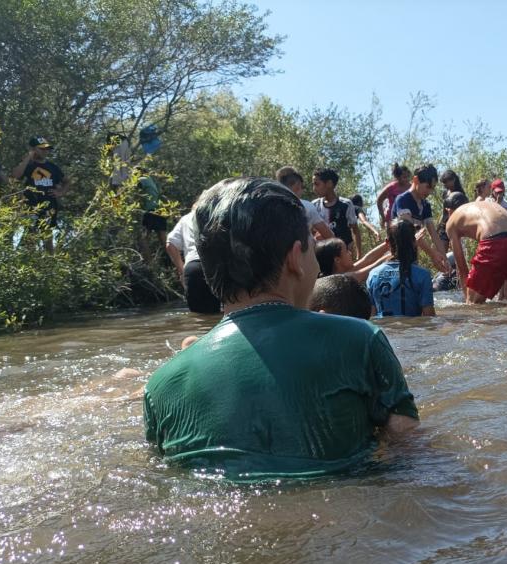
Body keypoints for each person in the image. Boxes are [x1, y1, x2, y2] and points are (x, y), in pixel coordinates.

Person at [144, 177, 419, 479]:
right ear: (294, 259)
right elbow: (407, 448)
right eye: (312, 250)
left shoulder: (160, 386)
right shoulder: (360, 339)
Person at [444, 191, 507, 304]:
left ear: (448, 210)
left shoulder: (451, 221)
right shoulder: (483, 205)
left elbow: (461, 268)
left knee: (474, 305)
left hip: (494, 241)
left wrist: (469, 299)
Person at [367, 219, 436, 317]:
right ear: (414, 242)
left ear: (387, 242)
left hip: (384, 330)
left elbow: (372, 315)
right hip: (412, 331)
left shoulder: (373, 274)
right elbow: (429, 316)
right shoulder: (423, 275)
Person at [390, 163, 450, 271]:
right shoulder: (403, 200)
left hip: (412, 257)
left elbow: (434, 235)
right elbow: (411, 234)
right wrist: (433, 254)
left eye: (432, 188)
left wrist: (444, 259)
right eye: (427, 187)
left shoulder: (425, 205)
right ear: (416, 180)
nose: (430, 192)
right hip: (395, 257)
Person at [11, 136, 68, 251]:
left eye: (46, 149)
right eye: (41, 149)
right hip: (31, 206)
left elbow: (67, 181)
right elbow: (15, 176)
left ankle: (50, 263)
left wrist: (60, 192)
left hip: (49, 206)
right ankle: (30, 263)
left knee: (47, 236)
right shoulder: (28, 165)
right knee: (30, 235)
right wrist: (28, 157)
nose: (45, 151)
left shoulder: (52, 167)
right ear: (33, 149)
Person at [164, 210, 221, 314]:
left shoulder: (185, 219)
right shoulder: (216, 215)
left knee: (198, 315)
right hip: (214, 265)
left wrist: (182, 270)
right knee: (219, 315)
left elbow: (170, 244)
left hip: (192, 267)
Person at [274, 166, 335, 241]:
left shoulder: (269, 206)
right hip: (303, 251)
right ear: (297, 186)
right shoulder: (307, 206)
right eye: (302, 187)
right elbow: (329, 236)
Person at [313, 167, 362, 259]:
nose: (314, 188)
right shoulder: (314, 205)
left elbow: (355, 230)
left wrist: (359, 255)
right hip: (323, 256)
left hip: (344, 255)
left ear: (329, 184)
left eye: (317, 184)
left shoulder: (346, 204)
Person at [315, 236, 390, 282]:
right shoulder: (339, 280)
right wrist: (391, 255)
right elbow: (374, 267)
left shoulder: (336, 274)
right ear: (337, 260)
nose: (350, 253)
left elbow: (366, 260)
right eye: (346, 251)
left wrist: (387, 244)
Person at [437, 169, 466, 253]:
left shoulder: (460, 195)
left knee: (456, 255)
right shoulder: (445, 193)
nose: (445, 184)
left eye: (446, 181)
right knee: (442, 255)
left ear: (453, 179)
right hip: (444, 227)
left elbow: (461, 215)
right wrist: (437, 228)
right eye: (444, 182)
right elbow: (444, 212)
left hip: (456, 228)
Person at [375, 163, 411, 228]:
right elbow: (379, 200)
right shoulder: (391, 187)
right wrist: (383, 217)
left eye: (408, 176)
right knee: (392, 237)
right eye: (404, 177)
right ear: (398, 177)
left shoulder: (411, 188)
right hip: (391, 219)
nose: (407, 179)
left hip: (407, 219)